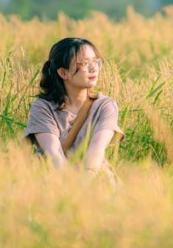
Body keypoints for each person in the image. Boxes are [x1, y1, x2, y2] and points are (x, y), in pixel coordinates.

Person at [24, 37, 124, 175]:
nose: (93, 68)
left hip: (95, 178)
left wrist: (86, 183)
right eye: (84, 63)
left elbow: (96, 150)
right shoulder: (43, 107)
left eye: (95, 61)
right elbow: (54, 154)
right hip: (55, 178)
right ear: (63, 72)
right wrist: (70, 187)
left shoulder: (105, 106)